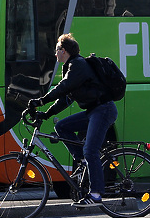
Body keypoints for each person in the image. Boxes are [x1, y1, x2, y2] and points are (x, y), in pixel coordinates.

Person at [28, 33, 117, 207]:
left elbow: (64, 87)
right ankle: (82, 160)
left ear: (65, 50)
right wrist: (46, 113)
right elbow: (66, 98)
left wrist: (41, 101)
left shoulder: (78, 64)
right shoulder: (71, 67)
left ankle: (96, 194)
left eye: (57, 50)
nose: (55, 54)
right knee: (62, 126)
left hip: (103, 110)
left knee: (91, 150)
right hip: (93, 111)